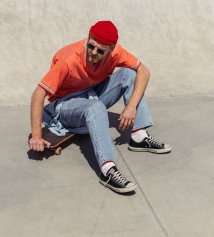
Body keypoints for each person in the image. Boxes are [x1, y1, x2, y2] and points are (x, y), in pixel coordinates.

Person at [29, 20, 172, 194]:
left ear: (111, 49)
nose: (93, 53)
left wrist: (131, 106)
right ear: (88, 39)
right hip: (64, 107)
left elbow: (144, 71)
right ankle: (108, 170)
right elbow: (38, 93)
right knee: (96, 107)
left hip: (91, 94)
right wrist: (36, 135)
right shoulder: (68, 59)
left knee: (130, 74)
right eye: (91, 46)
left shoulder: (116, 53)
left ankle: (139, 136)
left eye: (100, 50)